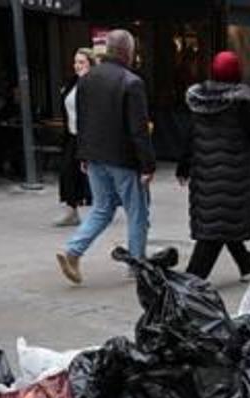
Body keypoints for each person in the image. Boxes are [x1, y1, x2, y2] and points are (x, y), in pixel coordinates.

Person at [56, 29, 156, 285]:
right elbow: (138, 129)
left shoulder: (87, 79)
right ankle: (136, 265)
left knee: (102, 208)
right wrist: (147, 164)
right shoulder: (131, 82)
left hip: (94, 155)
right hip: (122, 158)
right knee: (137, 213)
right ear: (128, 52)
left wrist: (84, 154)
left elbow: (83, 122)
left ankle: (73, 251)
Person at [177, 51, 250, 281]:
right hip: (234, 173)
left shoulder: (199, 100)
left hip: (204, 172)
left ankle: (246, 264)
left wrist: (184, 166)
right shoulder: (240, 102)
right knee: (219, 225)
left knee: (220, 218)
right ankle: (193, 280)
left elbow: (191, 135)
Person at [54, 48, 95, 227]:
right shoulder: (72, 83)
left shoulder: (94, 85)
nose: (77, 66)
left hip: (89, 136)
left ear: (91, 65)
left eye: (81, 62)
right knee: (67, 171)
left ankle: (103, 209)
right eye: (76, 62)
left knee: (93, 175)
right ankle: (71, 211)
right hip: (72, 135)